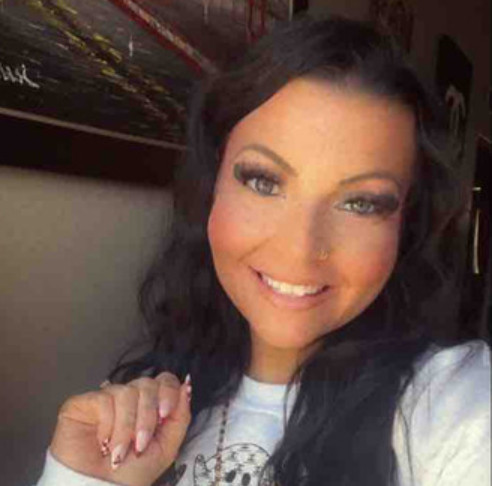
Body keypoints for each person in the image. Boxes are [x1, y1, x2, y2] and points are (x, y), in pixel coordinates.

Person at [34, 15, 490, 486]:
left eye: (361, 203)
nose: (300, 249)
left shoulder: (456, 409)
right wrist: (82, 478)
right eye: (263, 182)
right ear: (212, 186)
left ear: (406, 223)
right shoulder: (147, 406)